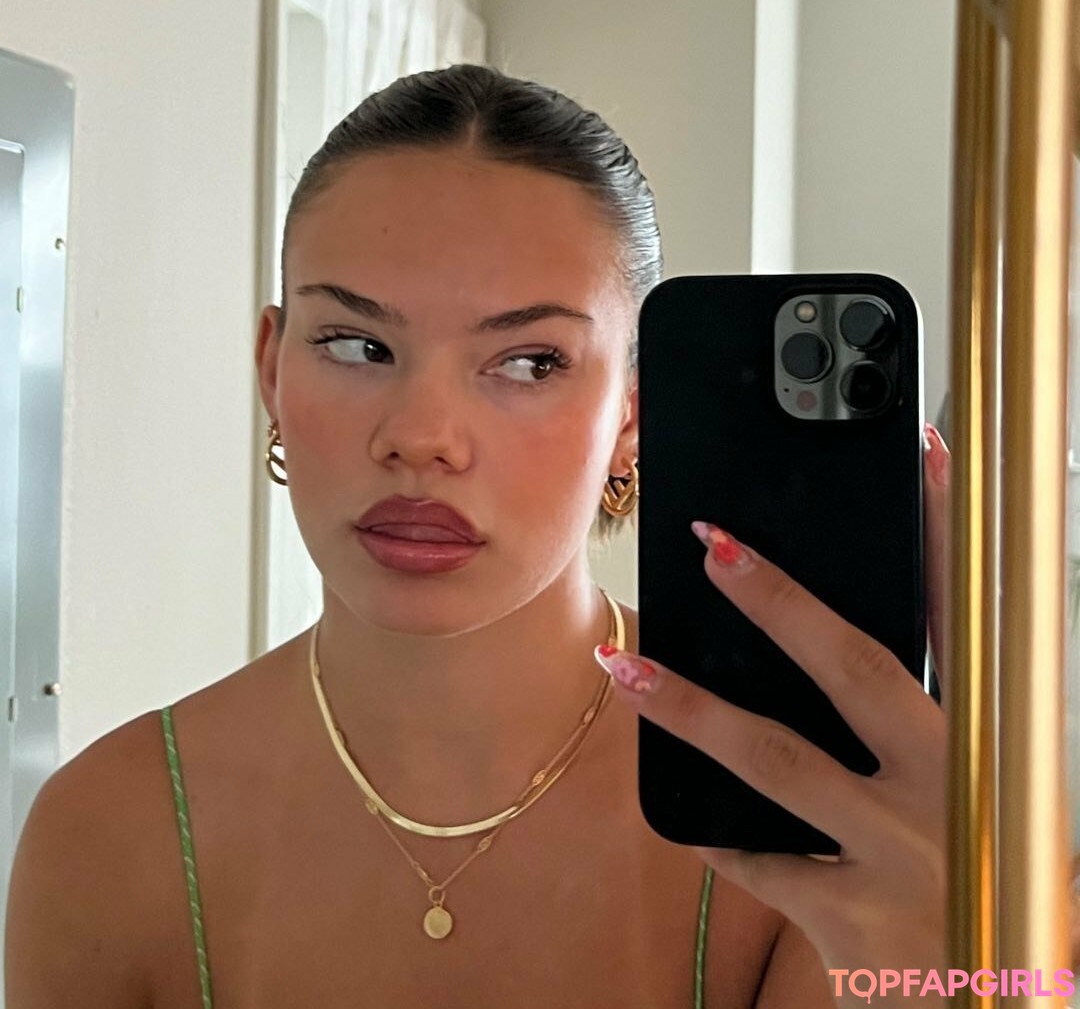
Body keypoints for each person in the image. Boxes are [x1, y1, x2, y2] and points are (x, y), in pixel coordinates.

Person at [4, 64, 950, 1008]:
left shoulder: (807, 821)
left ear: (632, 415)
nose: (422, 436)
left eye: (529, 362)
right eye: (357, 345)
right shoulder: (109, 833)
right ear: (272, 371)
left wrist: (977, 954)